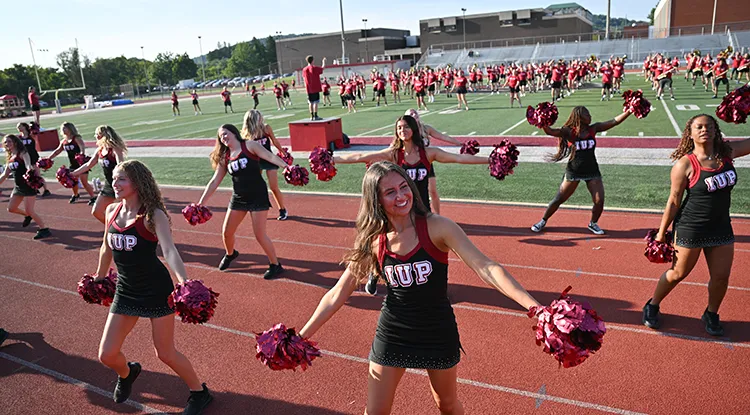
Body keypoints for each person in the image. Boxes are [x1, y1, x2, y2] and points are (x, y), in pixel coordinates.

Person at [297, 161, 540, 415]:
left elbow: (487, 268)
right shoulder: (374, 241)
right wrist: (300, 336)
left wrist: (537, 309)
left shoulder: (437, 227)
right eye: (390, 192)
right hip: (393, 331)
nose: (401, 196)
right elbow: (337, 294)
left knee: (446, 404)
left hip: (437, 329)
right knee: (375, 411)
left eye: (404, 187)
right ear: (376, 200)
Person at [94, 160, 212, 414]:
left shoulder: (152, 214)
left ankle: (199, 392)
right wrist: (99, 277)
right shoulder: (111, 210)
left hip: (155, 289)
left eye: (121, 179)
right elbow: (106, 247)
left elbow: (169, 250)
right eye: (114, 179)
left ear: (136, 182)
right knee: (107, 354)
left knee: (165, 353)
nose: (115, 183)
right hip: (126, 289)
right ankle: (128, 373)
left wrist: (184, 282)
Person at [642, 115, 750, 336]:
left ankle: (711, 313)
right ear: (690, 133)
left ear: (716, 130)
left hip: (721, 227)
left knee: (721, 277)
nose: (704, 130)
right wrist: (662, 233)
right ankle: (652, 304)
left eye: (709, 126)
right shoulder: (685, 164)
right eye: (699, 127)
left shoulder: (727, 153)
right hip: (691, 227)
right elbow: (674, 200)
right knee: (677, 273)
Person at [197, 124, 288, 278]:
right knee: (227, 232)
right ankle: (230, 253)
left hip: (258, 195)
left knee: (259, 235)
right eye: (221, 136)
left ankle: (275, 264)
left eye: (225, 134)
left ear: (233, 132)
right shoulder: (225, 156)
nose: (223, 138)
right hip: (239, 198)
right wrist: (201, 203)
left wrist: (286, 166)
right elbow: (214, 182)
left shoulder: (249, 145)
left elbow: (269, 156)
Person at [531, 106, 632, 235]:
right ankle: (543, 221)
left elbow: (614, 121)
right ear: (580, 117)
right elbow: (550, 132)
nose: (590, 116)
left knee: (599, 201)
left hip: (592, 171)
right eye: (587, 114)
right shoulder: (568, 131)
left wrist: (629, 111)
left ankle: (593, 223)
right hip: (574, 172)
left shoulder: (593, 128)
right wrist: (542, 122)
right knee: (558, 199)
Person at [403, 109, 463, 215]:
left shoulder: (426, 129)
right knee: (412, 192)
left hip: (426, 164)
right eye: (411, 113)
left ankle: (437, 216)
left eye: (415, 112)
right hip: (410, 166)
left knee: (433, 191)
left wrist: (459, 143)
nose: (414, 114)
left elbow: (442, 136)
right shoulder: (406, 132)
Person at [71, 125, 128, 223]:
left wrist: (118, 178)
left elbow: (121, 165)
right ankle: (113, 228)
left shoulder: (115, 149)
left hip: (119, 184)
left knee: (124, 213)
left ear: (103, 135)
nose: (95, 136)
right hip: (108, 185)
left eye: (97, 134)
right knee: (96, 211)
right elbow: (89, 165)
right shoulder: (100, 150)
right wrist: (73, 173)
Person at [0, 134, 51, 239]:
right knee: (11, 208)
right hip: (18, 187)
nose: (7, 144)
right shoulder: (10, 157)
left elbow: (28, 164)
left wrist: (29, 170)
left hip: (28, 186)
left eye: (9, 141)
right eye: (5, 142)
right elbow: (5, 174)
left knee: (30, 210)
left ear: (15, 142)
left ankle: (44, 229)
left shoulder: (22, 153)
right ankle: (27, 216)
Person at [241, 110, 289, 220]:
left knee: (273, 187)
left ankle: (282, 209)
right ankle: (256, 208)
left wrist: (282, 151)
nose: (262, 118)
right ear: (253, 120)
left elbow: (274, 140)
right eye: (259, 117)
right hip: (255, 161)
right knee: (255, 186)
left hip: (269, 159)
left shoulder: (266, 128)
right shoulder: (246, 133)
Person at [47, 122, 97, 204]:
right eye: (62, 128)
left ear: (70, 129)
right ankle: (76, 195)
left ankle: (93, 197)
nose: (63, 130)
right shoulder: (64, 141)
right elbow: (57, 151)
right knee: (73, 182)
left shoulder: (76, 138)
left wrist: (81, 155)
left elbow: (82, 147)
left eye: (65, 128)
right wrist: (48, 158)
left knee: (84, 182)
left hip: (81, 164)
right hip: (72, 164)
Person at [16, 122, 51, 197]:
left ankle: (46, 190)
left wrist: (34, 124)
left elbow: (37, 130)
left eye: (19, 126)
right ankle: (34, 188)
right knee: (29, 174)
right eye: (17, 127)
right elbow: (10, 137)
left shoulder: (31, 135)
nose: (18, 128)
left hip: (33, 157)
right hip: (25, 158)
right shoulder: (19, 138)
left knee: (37, 174)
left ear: (24, 127)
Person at [302, 55, 326, 121]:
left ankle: (311, 116)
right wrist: (323, 62)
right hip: (315, 88)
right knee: (315, 102)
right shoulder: (314, 68)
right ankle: (315, 115)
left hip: (308, 88)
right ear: (312, 60)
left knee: (310, 102)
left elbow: (304, 78)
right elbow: (322, 68)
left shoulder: (304, 69)